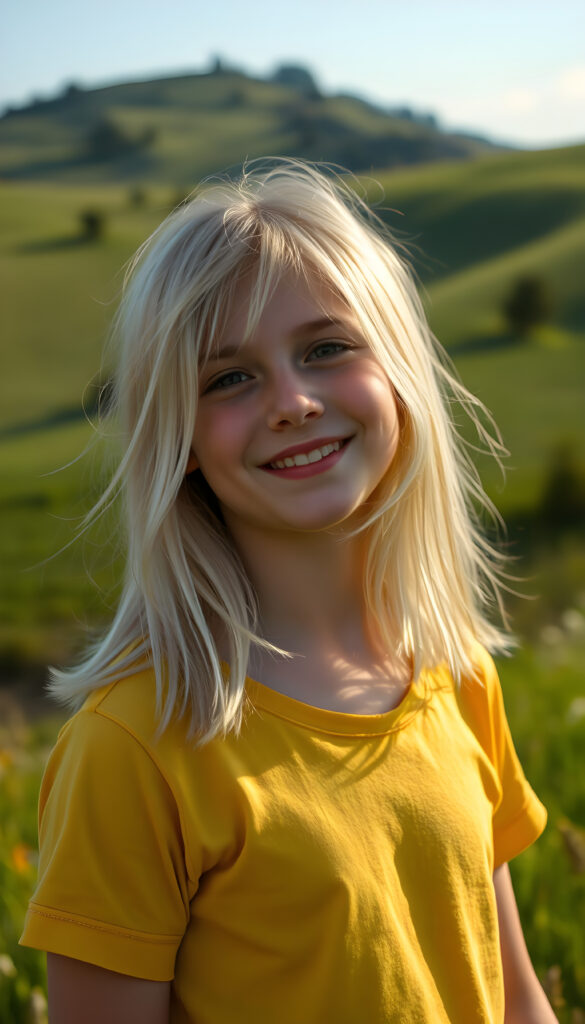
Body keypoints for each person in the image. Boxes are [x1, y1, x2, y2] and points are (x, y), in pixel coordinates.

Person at [20, 160, 555, 1023]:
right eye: (228, 377)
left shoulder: (454, 676)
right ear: (180, 437)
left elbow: (511, 992)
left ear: (399, 374)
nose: (294, 402)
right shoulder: (136, 746)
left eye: (326, 348)